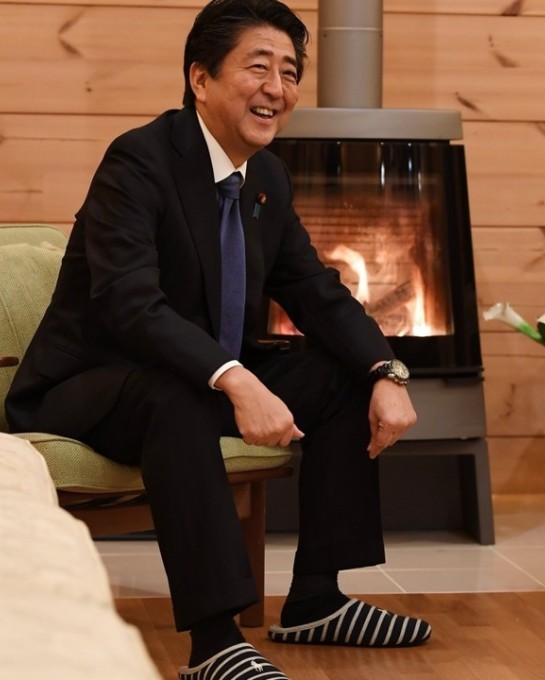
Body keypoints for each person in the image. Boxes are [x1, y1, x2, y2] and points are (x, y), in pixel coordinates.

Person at [4, 1, 431, 678]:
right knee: (176, 394)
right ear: (200, 79)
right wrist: (235, 378)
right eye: (257, 67)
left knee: (338, 374)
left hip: (192, 375)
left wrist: (386, 369)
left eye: (290, 72)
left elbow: (316, 290)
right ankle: (213, 643)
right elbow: (129, 303)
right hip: (91, 387)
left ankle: (317, 599)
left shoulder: (266, 177)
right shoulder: (139, 161)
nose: (277, 88)